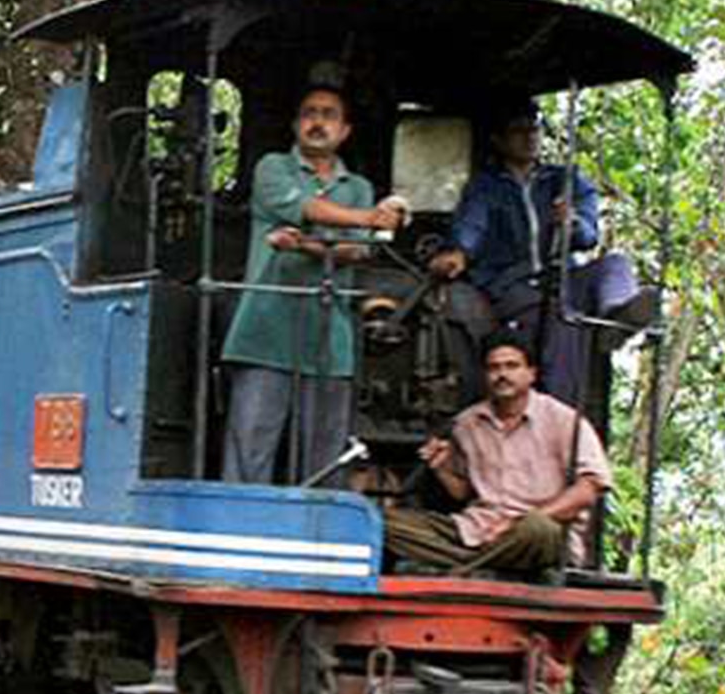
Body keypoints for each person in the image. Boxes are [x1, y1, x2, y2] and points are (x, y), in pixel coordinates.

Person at [221, 84, 406, 484]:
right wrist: (368, 220)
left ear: (345, 131)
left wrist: (302, 244)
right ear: (295, 124)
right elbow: (305, 207)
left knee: (325, 459)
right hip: (264, 330)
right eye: (309, 112)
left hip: (330, 334)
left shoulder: (358, 187)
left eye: (328, 114)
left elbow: (357, 252)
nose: (317, 121)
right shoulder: (272, 168)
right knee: (249, 451)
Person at [429, 96, 653, 405]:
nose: (529, 137)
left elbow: (588, 237)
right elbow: (472, 226)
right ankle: (558, 412)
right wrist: (458, 253)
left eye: (534, 129)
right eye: (519, 131)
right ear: (499, 140)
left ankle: (615, 318)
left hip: (563, 275)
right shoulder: (487, 186)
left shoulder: (564, 179)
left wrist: (571, 222)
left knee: (615, 264)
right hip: (513, 285)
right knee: (561, 319)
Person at [384, 330, 611, 576]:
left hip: (536, 537)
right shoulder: (466, 423)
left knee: (539, 529)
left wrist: (518, 523)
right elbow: (463, 493)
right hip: (478, 533)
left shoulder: (564, 419)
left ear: (531, 374)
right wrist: (441, 467)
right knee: (382, 522)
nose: (502, 375)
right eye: (494, 368)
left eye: (512, 366)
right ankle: (484, 568)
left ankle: (459, 573)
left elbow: (590, 488)